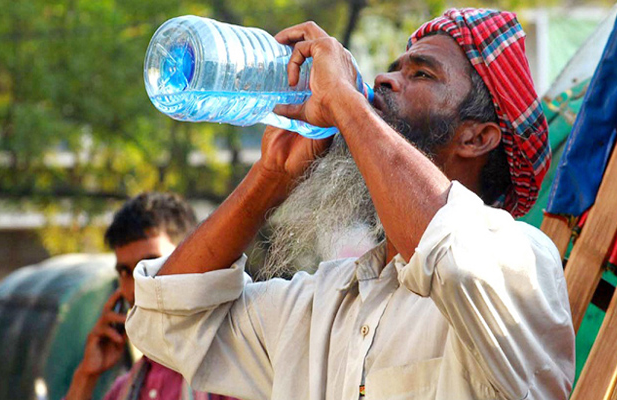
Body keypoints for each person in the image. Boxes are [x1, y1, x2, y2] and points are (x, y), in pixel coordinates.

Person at [127, 8, 575, 400]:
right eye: (394, 68)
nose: (383, 80)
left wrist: (344, 102)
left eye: (421, 73)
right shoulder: (324, 302)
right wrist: (271, 177)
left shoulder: (523, 261)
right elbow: (164, 323)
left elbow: (449, 255)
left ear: (477, 137)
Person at [65, 192, 236, 400]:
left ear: (194, 259)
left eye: (152, 265)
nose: (138, 286)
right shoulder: (126, 389)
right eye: (126, 272)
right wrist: (86, 376)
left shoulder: (236, 373)